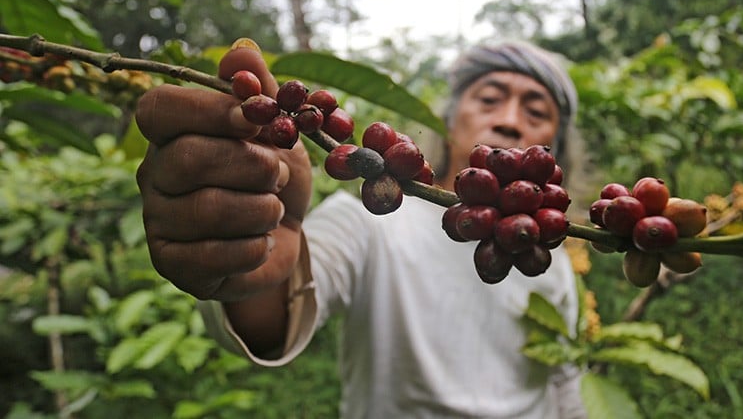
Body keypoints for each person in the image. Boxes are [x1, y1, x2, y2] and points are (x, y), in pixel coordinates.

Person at [135, 38, 587, 418]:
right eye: (489, 99)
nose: (509, 119)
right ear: (447, 120)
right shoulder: (368, 221)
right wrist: (246, 251)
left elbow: (564, 381)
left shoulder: (553, 259)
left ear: (554, 147)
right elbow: (276, 306)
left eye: (535, 111)